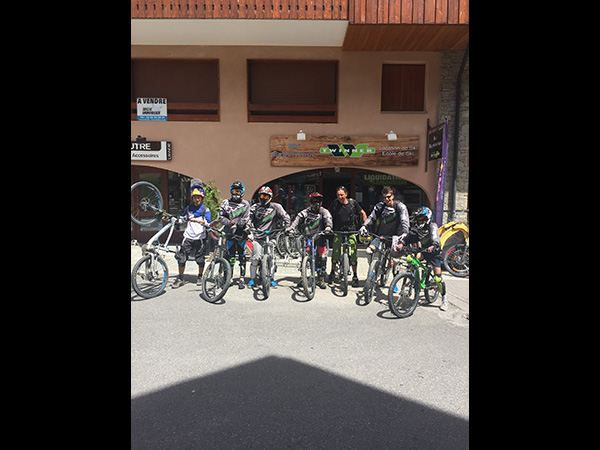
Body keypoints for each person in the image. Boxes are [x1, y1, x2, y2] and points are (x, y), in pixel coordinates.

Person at [395, 206, 448, 311]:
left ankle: (444, 298)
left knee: (438, 279)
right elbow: (410, 236)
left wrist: (433, 246)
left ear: (428, 218)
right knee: (410, 259)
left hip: (434, 253)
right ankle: (413, 277)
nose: (420, 222)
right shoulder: (417, 228)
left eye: (423, 219)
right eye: (419, 220)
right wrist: (402, 243)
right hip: (423, 251)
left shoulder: (432, 226)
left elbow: (435, 238)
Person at [286, 192, 333, 289]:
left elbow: (328, 219)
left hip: (320, 237)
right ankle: (303, 277)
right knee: (305, 256)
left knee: (321, 257)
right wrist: (291, 228)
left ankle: (321, 279)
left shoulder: (324, 211)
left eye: (318, 201)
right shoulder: (305, 212)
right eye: (314, 201)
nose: (317, 203)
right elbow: (297, 219)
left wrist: (328, 227)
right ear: (311, 202)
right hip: (308, 237)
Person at [247, 186, 290, 288]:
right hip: (258, 236)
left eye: (266, 196)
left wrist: (287, 227)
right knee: (255, 258)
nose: (263, 198)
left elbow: (286, 216)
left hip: (271, 236)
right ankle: (252, 279)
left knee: (271, 257)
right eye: (262, 196)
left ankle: (271, 278)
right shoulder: (254, 207)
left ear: (270, 197)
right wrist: (248, 229)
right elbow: (249, 218)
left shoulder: (276, 207)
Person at [172, 183, 211, 288]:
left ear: (201, 198)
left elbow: (208, 224)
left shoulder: (205, 210)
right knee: (182, 258)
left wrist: (198, 221)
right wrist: (173, 220)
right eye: (195, 197)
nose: (197, 199)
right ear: (192, 198)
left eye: (199, 197)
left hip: (200, 238)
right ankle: (180, 278)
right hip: (188, 237)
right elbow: (182, 219)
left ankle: (200, 276)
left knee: (200, 259)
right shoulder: (189, 208)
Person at [328, 186, 367, 287]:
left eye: (342, 195)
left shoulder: (353, 203)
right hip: (338, 231)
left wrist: (365, 226)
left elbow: (362, 213)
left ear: (346, 194)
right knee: (335, 253)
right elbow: (328, 215)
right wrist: (327, 226)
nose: (340, 197)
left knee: (353, 253)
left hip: (351, 231)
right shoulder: (335, 203)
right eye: (338, 195)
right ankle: (332, 272)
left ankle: (355, 276)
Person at [359, 186, 410, 257]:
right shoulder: (380, 206)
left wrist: (404, 233)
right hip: (382, 236)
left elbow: (404, 220)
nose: (386, 199)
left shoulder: (400, 206)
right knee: (369, 250)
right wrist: (364, 226)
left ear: (392, 196)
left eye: (388, 197)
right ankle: (374, 263)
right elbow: (372, 217)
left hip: (396, 237)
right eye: (384, 197)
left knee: (395, 257)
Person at [218, 181, 251, 289]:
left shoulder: (245, 204)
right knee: (230, 256)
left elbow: (245, 219)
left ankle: (241, 278)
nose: (236, 194)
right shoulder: (225, 203)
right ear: (231, 191)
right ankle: (230, 278)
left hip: (241, 234)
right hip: (229, 234)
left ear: (242, 192)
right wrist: (229, 223)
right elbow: (220, 217)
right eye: (234, 191)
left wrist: (236, 222)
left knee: (242, 257)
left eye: (238, 191)